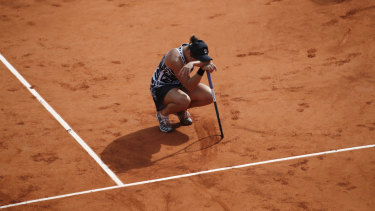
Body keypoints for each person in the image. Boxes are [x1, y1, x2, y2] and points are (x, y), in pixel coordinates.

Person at [150, 35, 217, 132]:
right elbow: (189, 86)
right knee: (184, 100)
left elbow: (207, 60)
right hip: (162, 87)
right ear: (189, 54)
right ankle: (162, 114)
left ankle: (180, 109)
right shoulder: (174, 58)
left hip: (180, 84)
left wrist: (193, 63)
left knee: (209, 95)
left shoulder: (195, 48)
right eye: (195, 59)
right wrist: (202, 69)